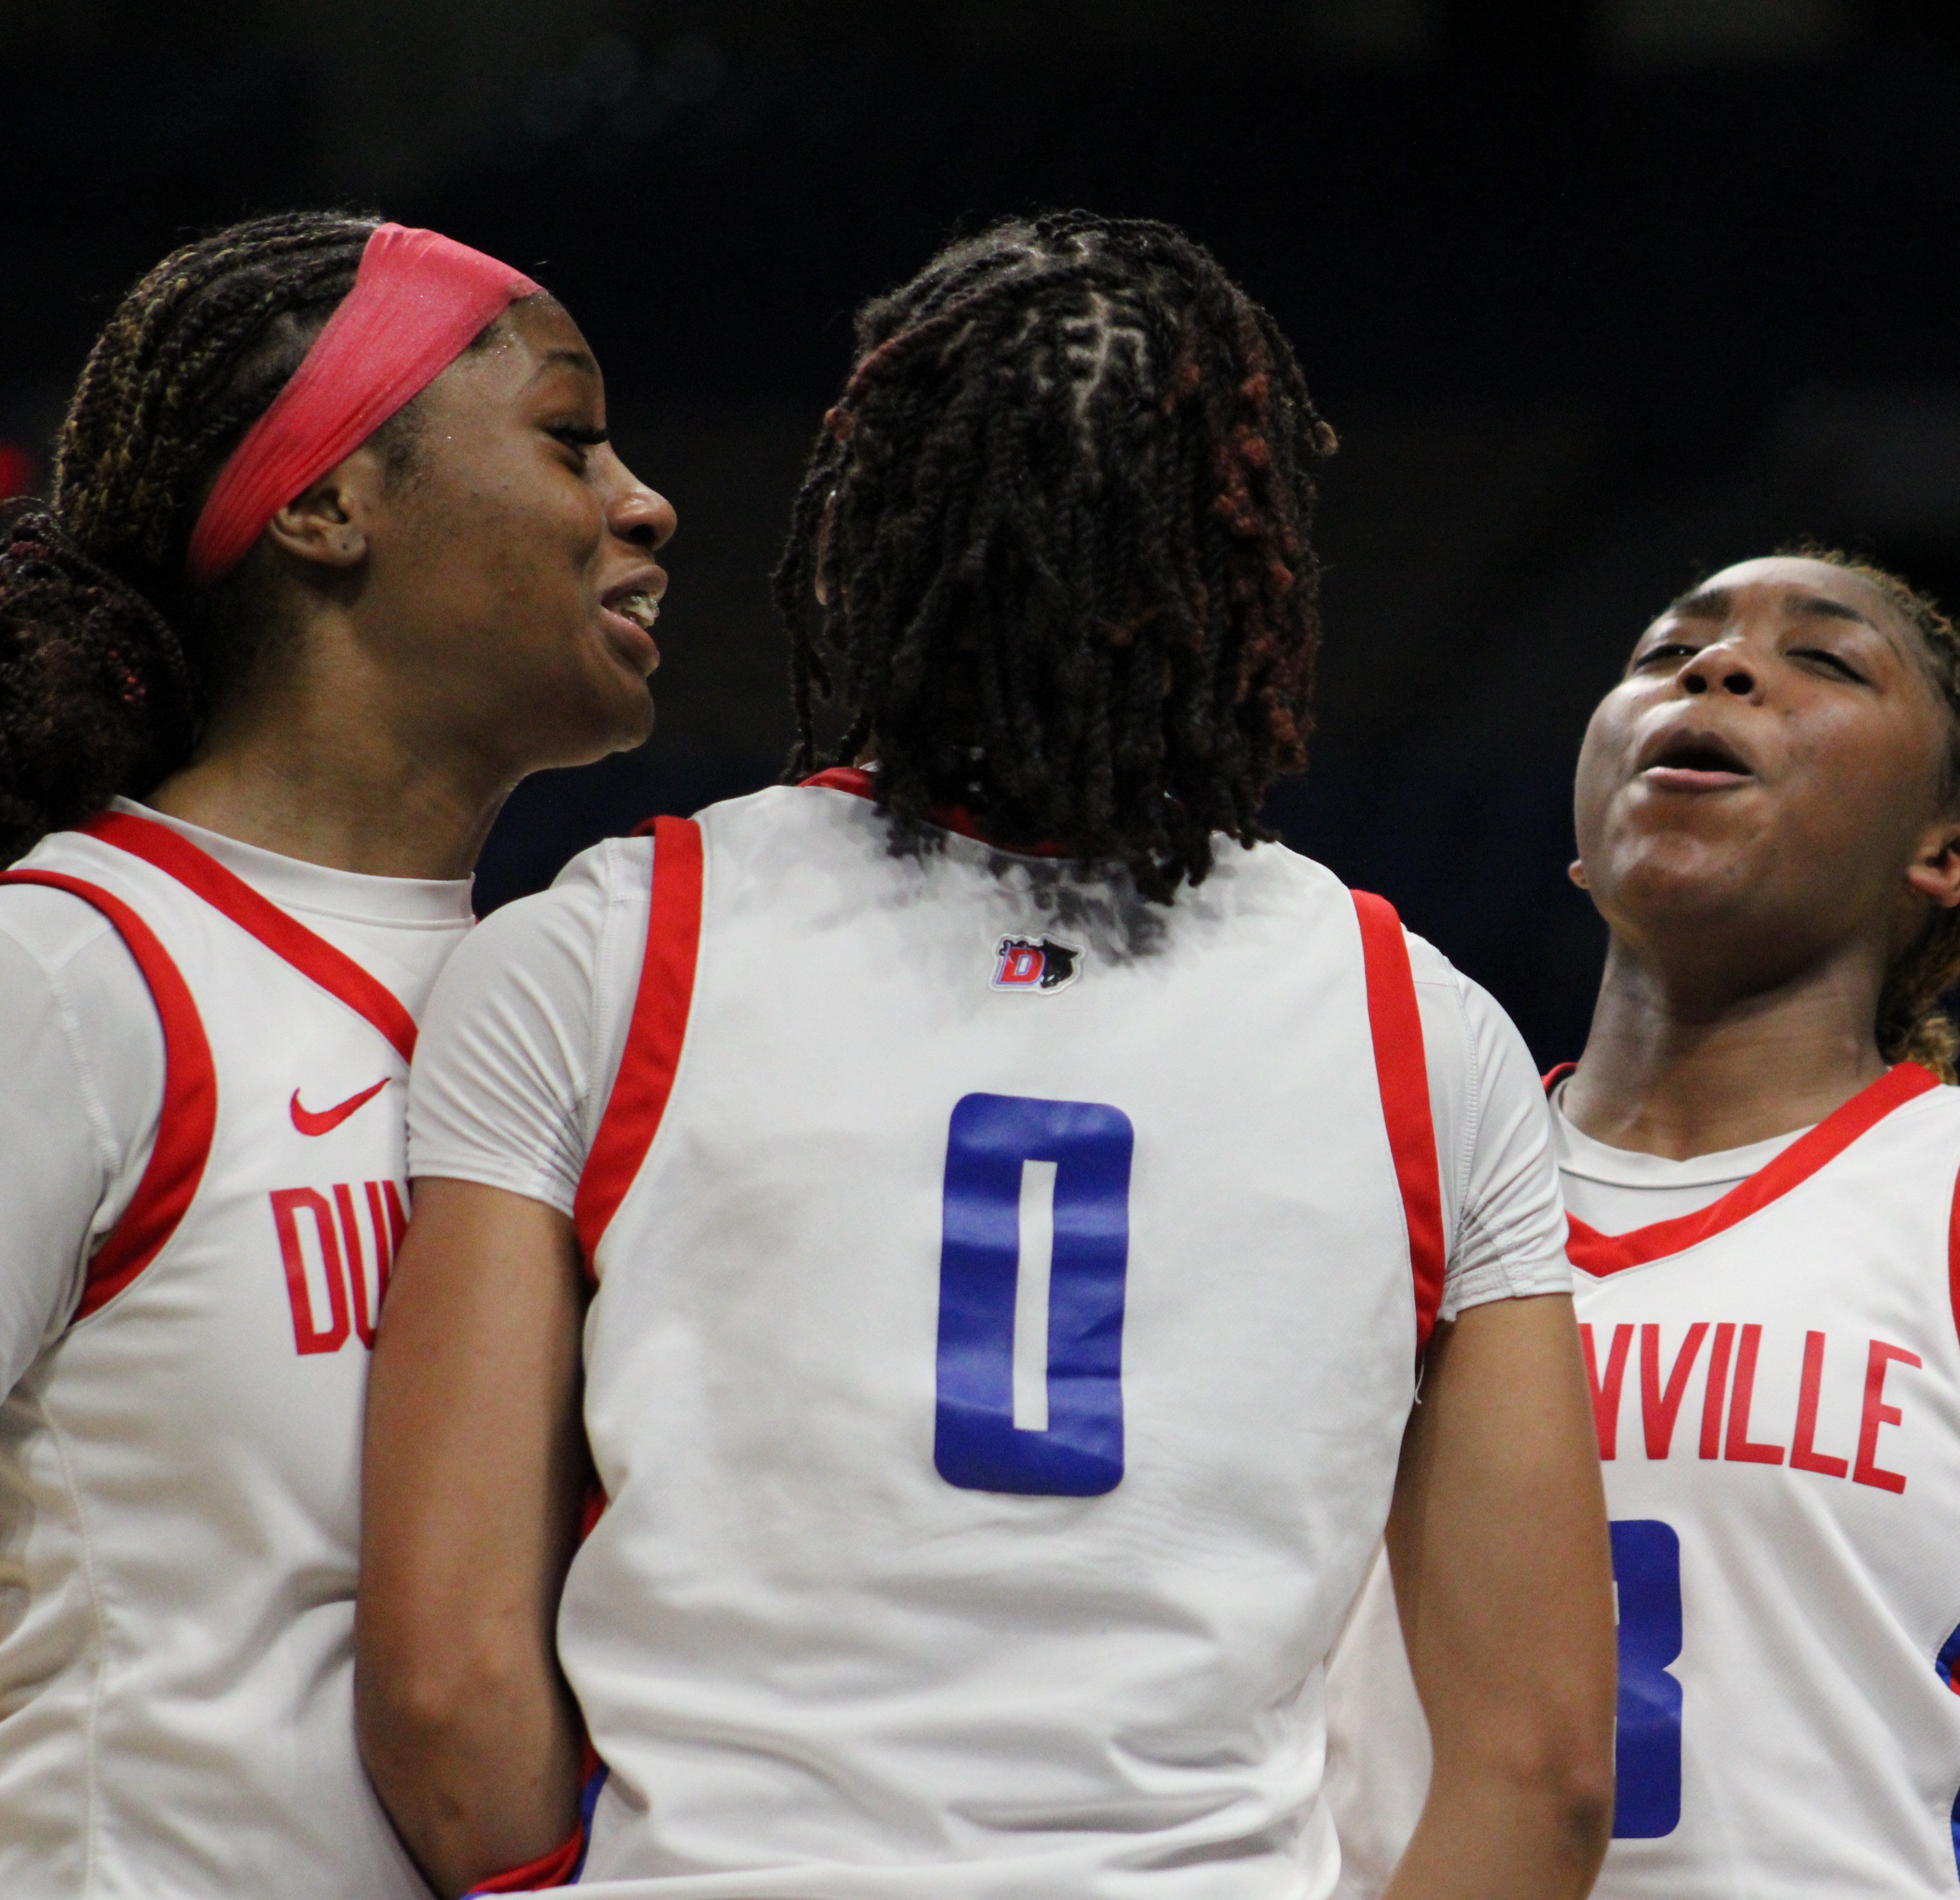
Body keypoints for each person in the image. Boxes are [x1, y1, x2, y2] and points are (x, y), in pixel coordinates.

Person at [357, 212, 1616, 1900]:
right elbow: (1543, 1772)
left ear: (863, 530)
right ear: (1247, 562)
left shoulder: (604, 947)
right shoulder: (1427, 1028)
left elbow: (448, 1695)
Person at [1323, 550, 1960, 1899]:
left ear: (1945, 858)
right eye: (1669, 653)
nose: (1716, 669)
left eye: (1826, 662)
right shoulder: (1377, 1181)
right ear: (1583, 830)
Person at [0, 213, 674, 1897]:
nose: (642, 502)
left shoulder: (570, 1006)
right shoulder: (70, 969)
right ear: (324, 502)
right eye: (570, 437)